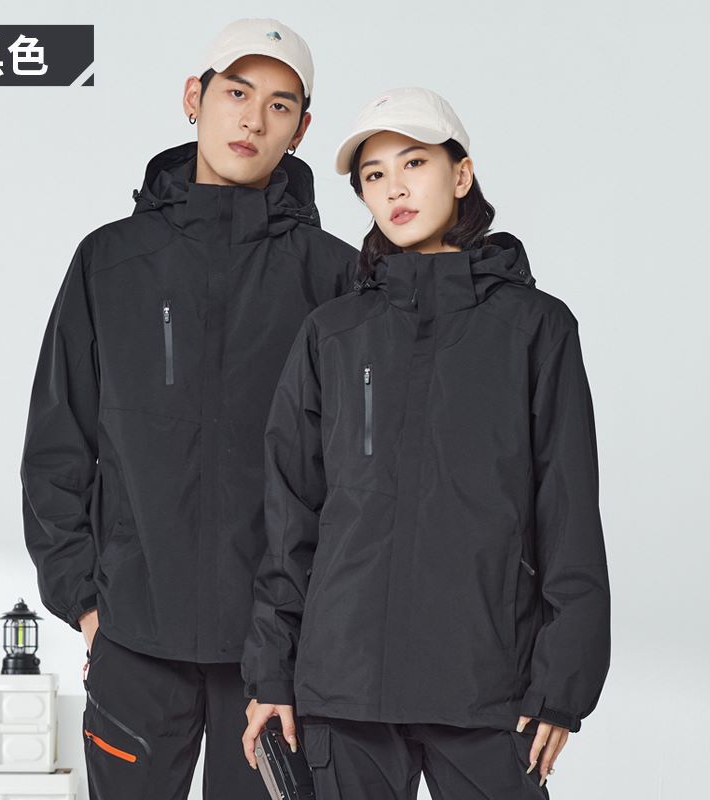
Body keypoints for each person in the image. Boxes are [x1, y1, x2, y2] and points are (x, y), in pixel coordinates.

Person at [20, 18, 357, 800]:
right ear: (193, 99)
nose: (253, 119)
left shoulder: (335, 278)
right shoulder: (111, 260)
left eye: (279, 105)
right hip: (136, 640)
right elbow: (58, 443)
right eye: (236, 93)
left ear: (302, 129)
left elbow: (357, 472)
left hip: (279, 654)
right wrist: (86, 604)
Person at [241, 87, 611, 799]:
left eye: (413, 163)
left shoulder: (535, 329)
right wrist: (269, 675)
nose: (395, 188)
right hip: (345, 687)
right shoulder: (333, 333)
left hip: (488, 686)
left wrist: (562, 683)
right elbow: (290, 520)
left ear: (461, 174)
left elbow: (568, 513)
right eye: (374, 175)